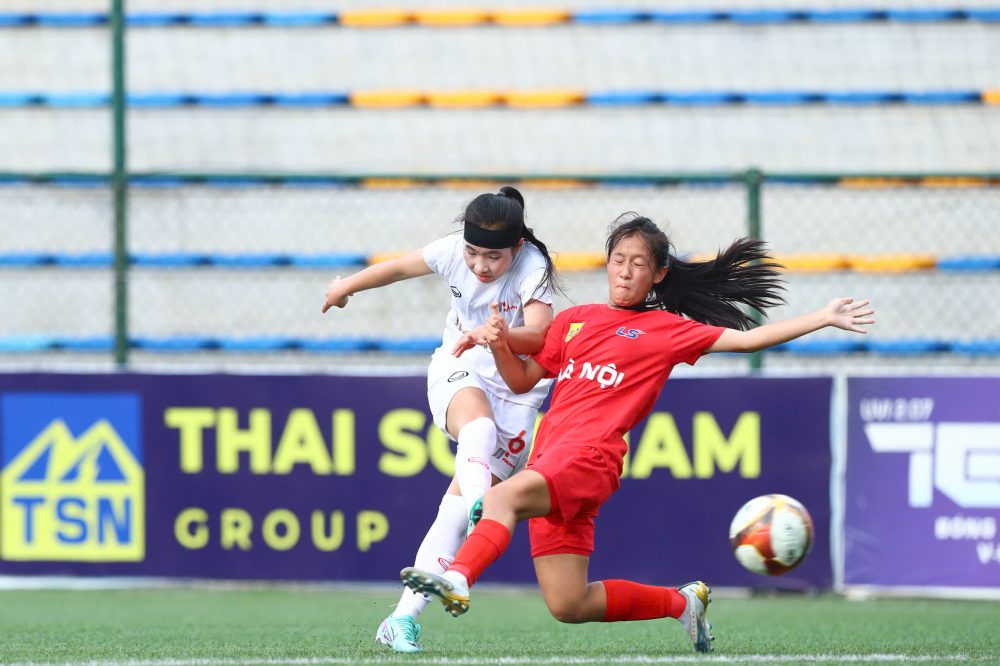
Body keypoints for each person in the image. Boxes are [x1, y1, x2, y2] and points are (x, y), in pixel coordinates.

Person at [400, 213, 875, 653]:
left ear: (659, 274)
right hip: (552, 464)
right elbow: (522, 379)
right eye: (618, 260)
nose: (625, 271)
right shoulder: (573, 321)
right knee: (569, 604)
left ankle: (459, 577)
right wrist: (502, 344)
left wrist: (823, 317)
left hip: (588, 460)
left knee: (499, 500)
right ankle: (682, 603)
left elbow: (748, 339)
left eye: (638, 263)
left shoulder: (665, 330)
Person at [321, 186, 559, 653]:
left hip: (517, 390)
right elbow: (397, 268)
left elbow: (541, 333)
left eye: (492, 256)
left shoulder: (534, 268)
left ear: (515, 247)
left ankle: (400, 620)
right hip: (461, 361)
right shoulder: (452, 252)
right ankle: (480, 503)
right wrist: (345, 286)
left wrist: (504, 334)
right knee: (479, 431)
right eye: (473, 252)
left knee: (449, 517)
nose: (479, 266)